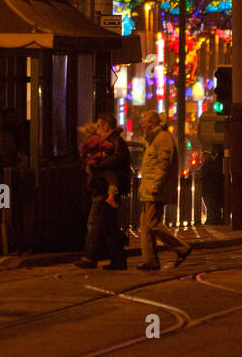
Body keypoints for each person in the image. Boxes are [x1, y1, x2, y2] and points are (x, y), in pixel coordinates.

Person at [135, 112, 192, 270]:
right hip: (149, 189)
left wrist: (156, 185)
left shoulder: (162, 138)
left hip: (155, 189)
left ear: (152, 122)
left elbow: (163, 164)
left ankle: (182, 248)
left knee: (152, 223)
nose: (142, 123)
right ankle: (150, 260)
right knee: (145, 224)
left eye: (144, 120)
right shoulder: (154, 139)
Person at [75, 113, 130, 270]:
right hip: (104, 187)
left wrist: (97, 165)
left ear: (106, 126)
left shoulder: (115, 142)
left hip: (106, 189)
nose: (97, 129)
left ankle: (90, 257)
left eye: (99, 126)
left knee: (95, 222)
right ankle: (118, 259)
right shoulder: (110, 141)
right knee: (108, 225)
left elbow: (117, 160)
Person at [200, 145, 226, 224]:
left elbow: (207, 178)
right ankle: (214, 219)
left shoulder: (207, 166)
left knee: (211, 206)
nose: (201, 159)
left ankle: (212, 220)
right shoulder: (215, 164)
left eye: (202, 157)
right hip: (213, 189)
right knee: (213, 206)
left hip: (209, 190)